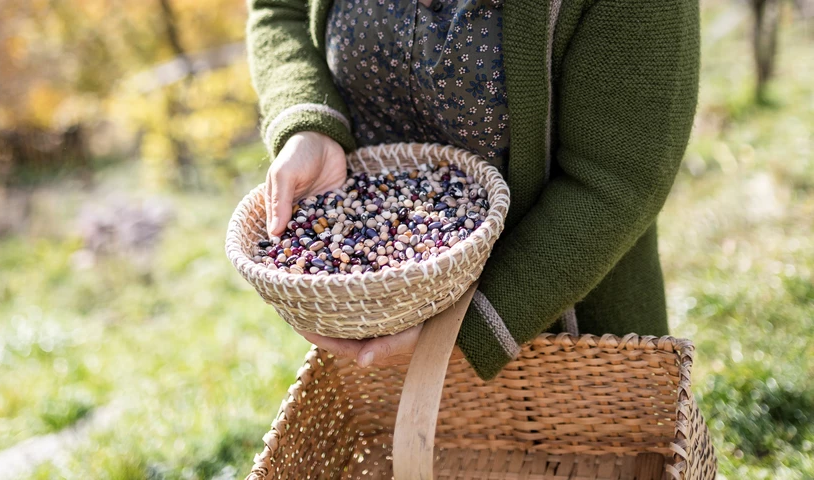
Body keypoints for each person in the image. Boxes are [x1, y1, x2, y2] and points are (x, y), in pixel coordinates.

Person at [246, 0, 700, 380]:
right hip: (368, 322)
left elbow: (616, 179)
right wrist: (308, 125)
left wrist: (467, 333)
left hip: (561, 334)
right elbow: (279, 7)